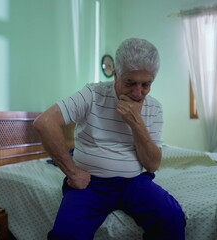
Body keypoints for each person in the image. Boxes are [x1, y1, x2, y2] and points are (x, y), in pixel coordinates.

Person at [33, 38, 186, 240]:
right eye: (130, 83)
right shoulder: (92, 94)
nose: (138, 93)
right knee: (65, 234)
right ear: (116, 74)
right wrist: (73, 173)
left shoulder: (154, 107)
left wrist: (136, 122)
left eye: (146, 85)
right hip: (91, 184)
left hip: (134, 182)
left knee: (172, 218)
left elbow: (152, 165)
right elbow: (44, 122)